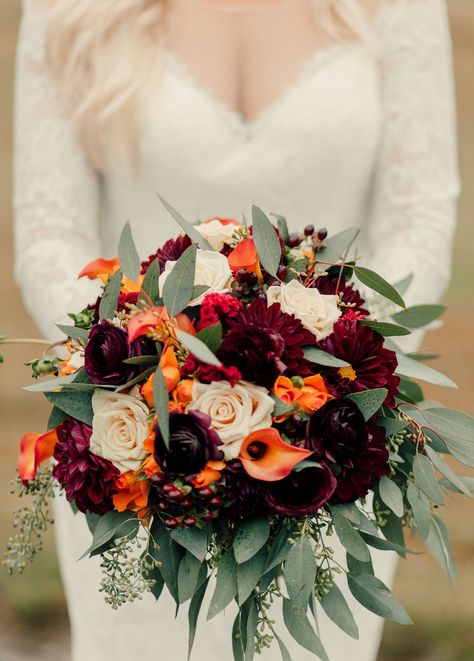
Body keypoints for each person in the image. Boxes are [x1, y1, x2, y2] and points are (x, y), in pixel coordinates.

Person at [13, 0, 459, 659]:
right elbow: (49, 235)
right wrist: (147, 366)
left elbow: (420, 220)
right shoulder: (68, 10)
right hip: (142, 454)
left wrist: (329, 375)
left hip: (324, 460)